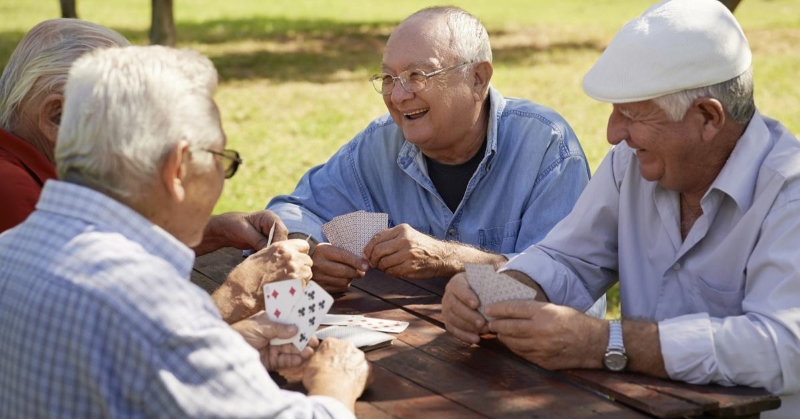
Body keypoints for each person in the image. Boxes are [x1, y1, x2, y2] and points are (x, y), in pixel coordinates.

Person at [442, 1, 799, 417]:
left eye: (631, 113)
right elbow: (569, 258)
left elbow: (784, 346)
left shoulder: (789, 190)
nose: (613, 134)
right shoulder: (631, 162)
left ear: (707, 118)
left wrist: (607, 342)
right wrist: (492, 291)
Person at [0, 45, 369, 417]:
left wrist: (229, 345)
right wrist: (334, 384)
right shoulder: (152, 301)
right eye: (221, 161)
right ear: (177, 168)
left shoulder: (10, 248)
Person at [267, 6, 605, 316]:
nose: (398, 96)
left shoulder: (545, 145)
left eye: (418, 75)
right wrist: (310, 252)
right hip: (406, 356)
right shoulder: (380, 143)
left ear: (478, 79)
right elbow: (293, 211)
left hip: (514, 368)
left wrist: (451, 260)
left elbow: (567, 295)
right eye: (388, 78)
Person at [0, 18, 297, 323]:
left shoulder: (41, 175)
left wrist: (213, 231)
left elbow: (110, 254)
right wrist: (240, 293)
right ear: (57, 117)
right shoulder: (12, 189)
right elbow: (105, 331)